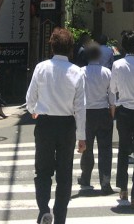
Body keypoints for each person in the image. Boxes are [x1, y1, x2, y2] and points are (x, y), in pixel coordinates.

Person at [26, 28, 86, 224]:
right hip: (67, 125)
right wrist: (82, 136)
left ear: (51, 46)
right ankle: (60, 216)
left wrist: (33, 109)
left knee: (42, 170)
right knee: (64, 172)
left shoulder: (41, 68)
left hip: (44, 123)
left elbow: (30, 98)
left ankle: (44, 208)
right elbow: (80, 107)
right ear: (71, 49)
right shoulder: (77, 72)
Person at [109, 30, 134, 208]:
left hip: (123, 110)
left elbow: (113, 89)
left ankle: (123, 189)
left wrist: (113, 106)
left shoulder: (118, 65)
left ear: (124, 46)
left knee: (124, 150)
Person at [78, 43, 115, 194]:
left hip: (86, 113)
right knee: (105, 149)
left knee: (87, 147)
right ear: (99, 56)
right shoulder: (107, 72)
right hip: (103, 111)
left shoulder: (80, 72)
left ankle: (86, 177)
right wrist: (111, 110)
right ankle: (105, 181)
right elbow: (112, 94)